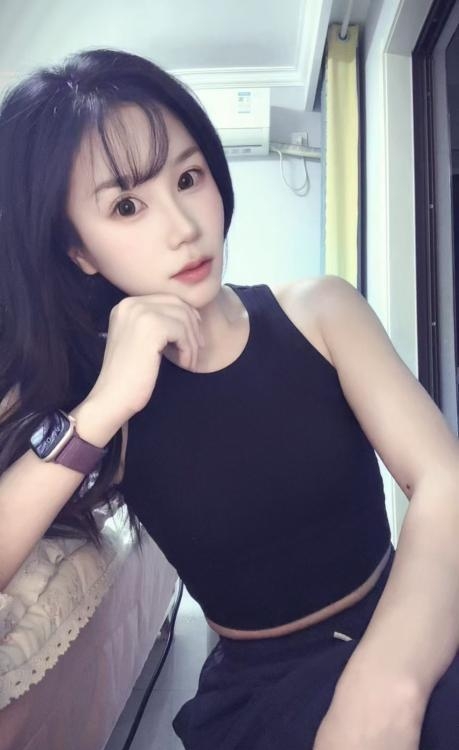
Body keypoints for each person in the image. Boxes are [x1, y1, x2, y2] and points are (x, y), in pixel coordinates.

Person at [0, 48, 459, 750]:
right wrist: (104, 407)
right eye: (126, 206)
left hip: (411, 619)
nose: (184, 227)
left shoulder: (321, 311)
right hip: (261, 696)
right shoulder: (93, 396)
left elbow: (444, 481)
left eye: (189, 178)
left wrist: (387, 684)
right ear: (78, 251)